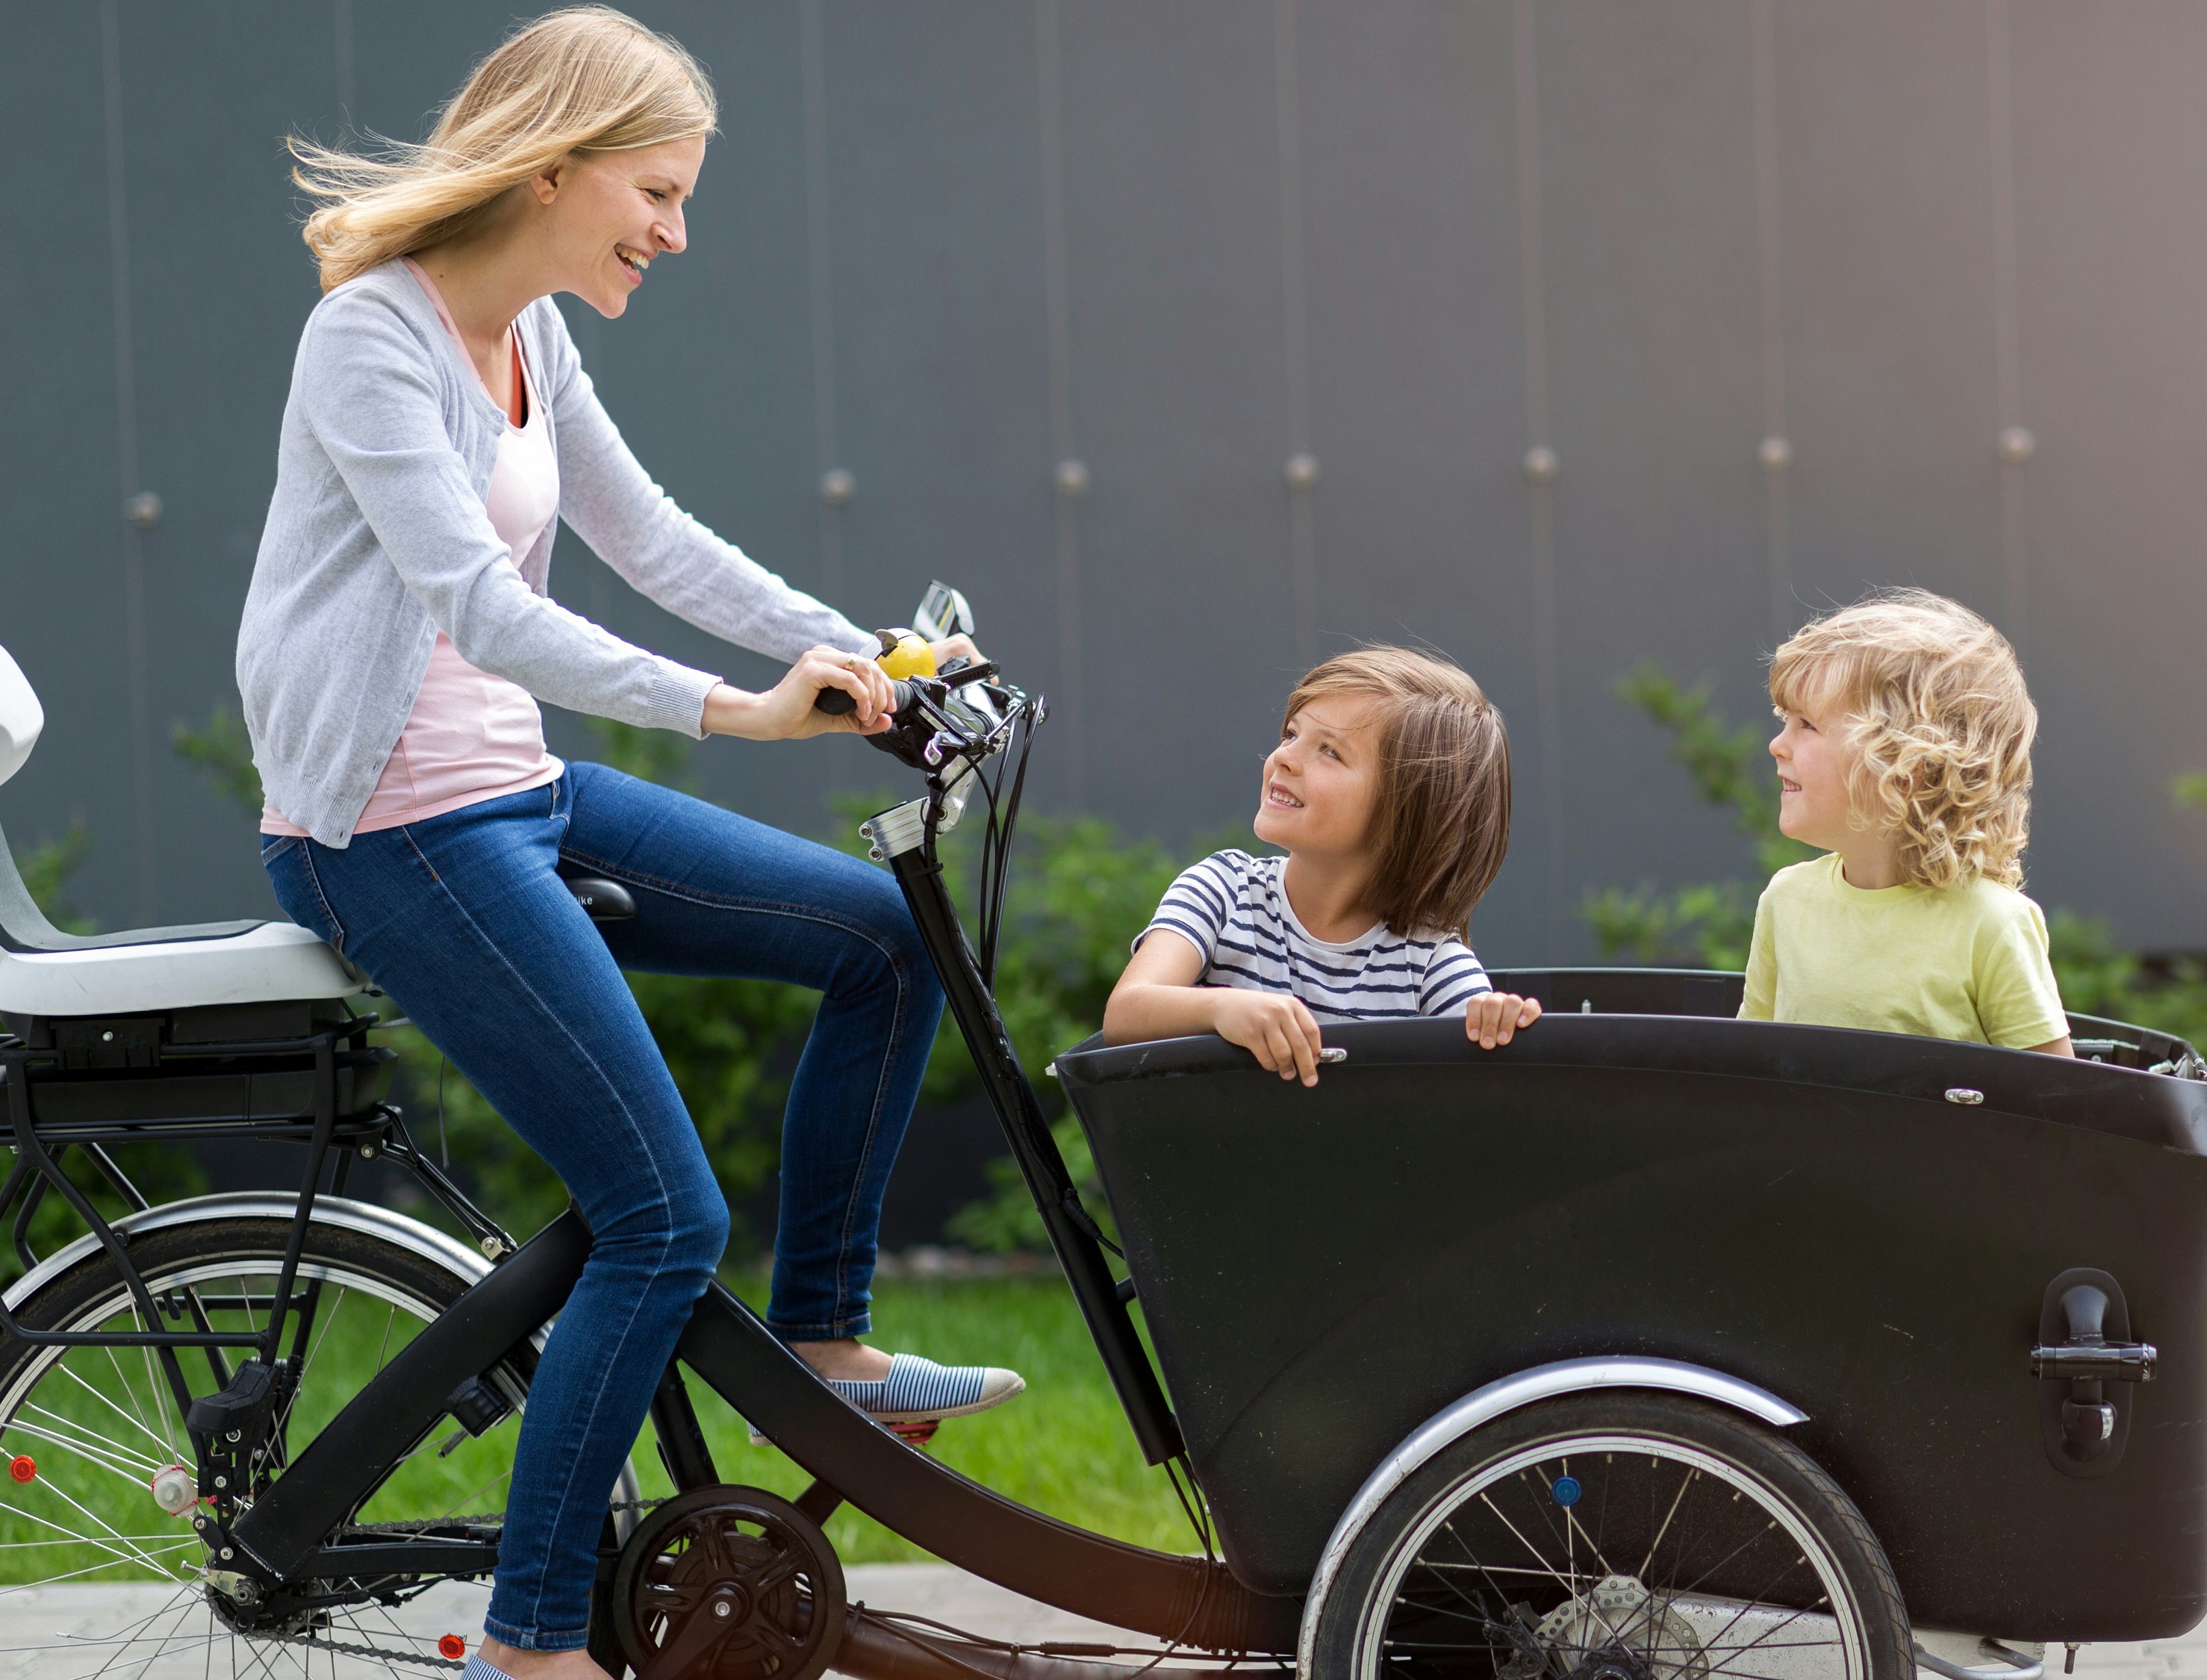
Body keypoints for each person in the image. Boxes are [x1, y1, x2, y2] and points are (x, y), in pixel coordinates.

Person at [238, 12, 1012, 1677]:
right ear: (554, 166)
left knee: (884, 941)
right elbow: (477, 605)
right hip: (388, 831)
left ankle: (826, 1335)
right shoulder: (373, 340)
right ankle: (535, 1643)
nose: (671, 231)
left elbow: (650, 538)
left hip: (510, 796)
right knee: (660, 1217)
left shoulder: (531, 332)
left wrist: (871, 660)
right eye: (654, 193)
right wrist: (739, 716)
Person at [1103, 647, 1541, 1080]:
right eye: (1291, 734)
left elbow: (1491, 1085)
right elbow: (1125, 1013)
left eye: (1330, 752)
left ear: (1407, 811)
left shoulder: (1428, 960)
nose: (1284, 758)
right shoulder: (1223, 888)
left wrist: (1496, 1024)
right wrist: (1222, 1008)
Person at [1740, 588, 2074, 1055]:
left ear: (1907, 765)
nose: (1778, 744)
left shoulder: (1992, 924)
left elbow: (2055, 1108)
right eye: (1785, 720)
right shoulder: (1786, 900)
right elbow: (1750, 1067)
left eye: (1807, 725)